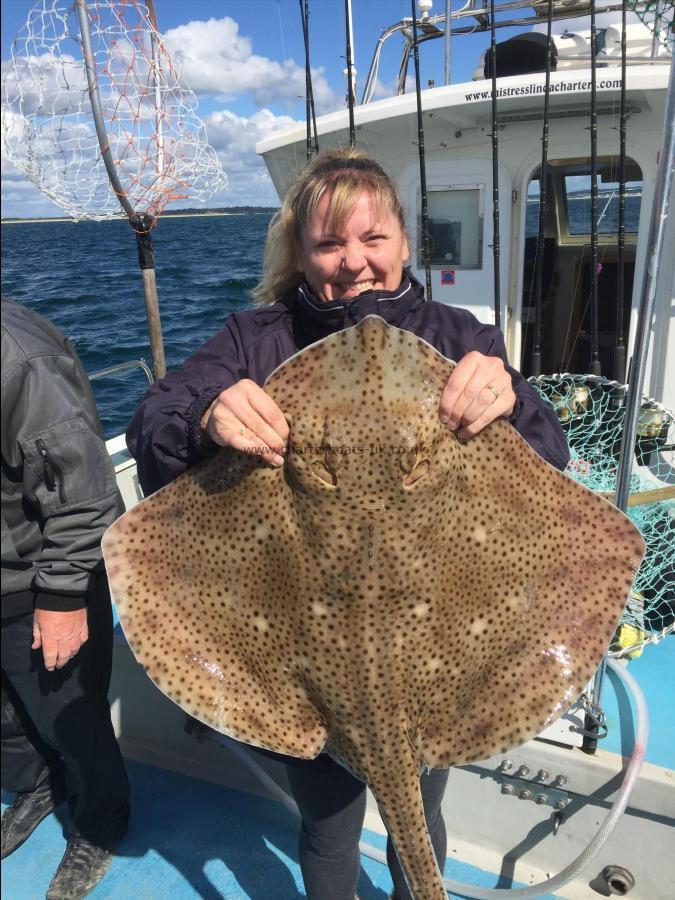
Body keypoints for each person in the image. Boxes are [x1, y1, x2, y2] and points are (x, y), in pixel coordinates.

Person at [127, 149, 569, 899]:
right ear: (298, 254)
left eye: (373, 239)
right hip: (300, 642)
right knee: (329, 821)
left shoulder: (462, 337)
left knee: (416, 804)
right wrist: (204, 415)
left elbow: (548, 461)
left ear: (404, 242)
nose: (353, 263)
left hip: (439, 637)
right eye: (329, 243)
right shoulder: (253, 341)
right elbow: (153, 425)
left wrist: (512, 401)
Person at [1, 298, 130, 899]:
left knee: (71, 718)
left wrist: (60, 598)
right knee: (10, 718)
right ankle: (36, 784)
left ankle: (103, 821)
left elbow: (87, 496)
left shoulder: (19, 358)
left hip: (37, 580)